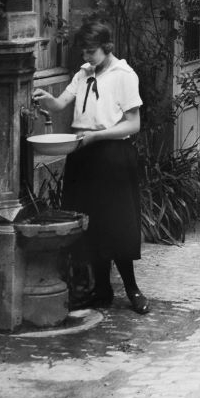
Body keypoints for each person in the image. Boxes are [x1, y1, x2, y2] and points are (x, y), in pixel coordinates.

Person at [31, 19, 150, 314]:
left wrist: (96, 135)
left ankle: (132, 290)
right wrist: (47, 100)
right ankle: (102, 290)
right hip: (83, 155)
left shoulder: (124, 75)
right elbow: (61, 104)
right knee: (90, 223)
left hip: (112, 154)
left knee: (117, 223)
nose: (86, 58)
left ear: (107, 47)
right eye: (83, 52)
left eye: (91, 52)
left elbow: (133, 123)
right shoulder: (83, 73)